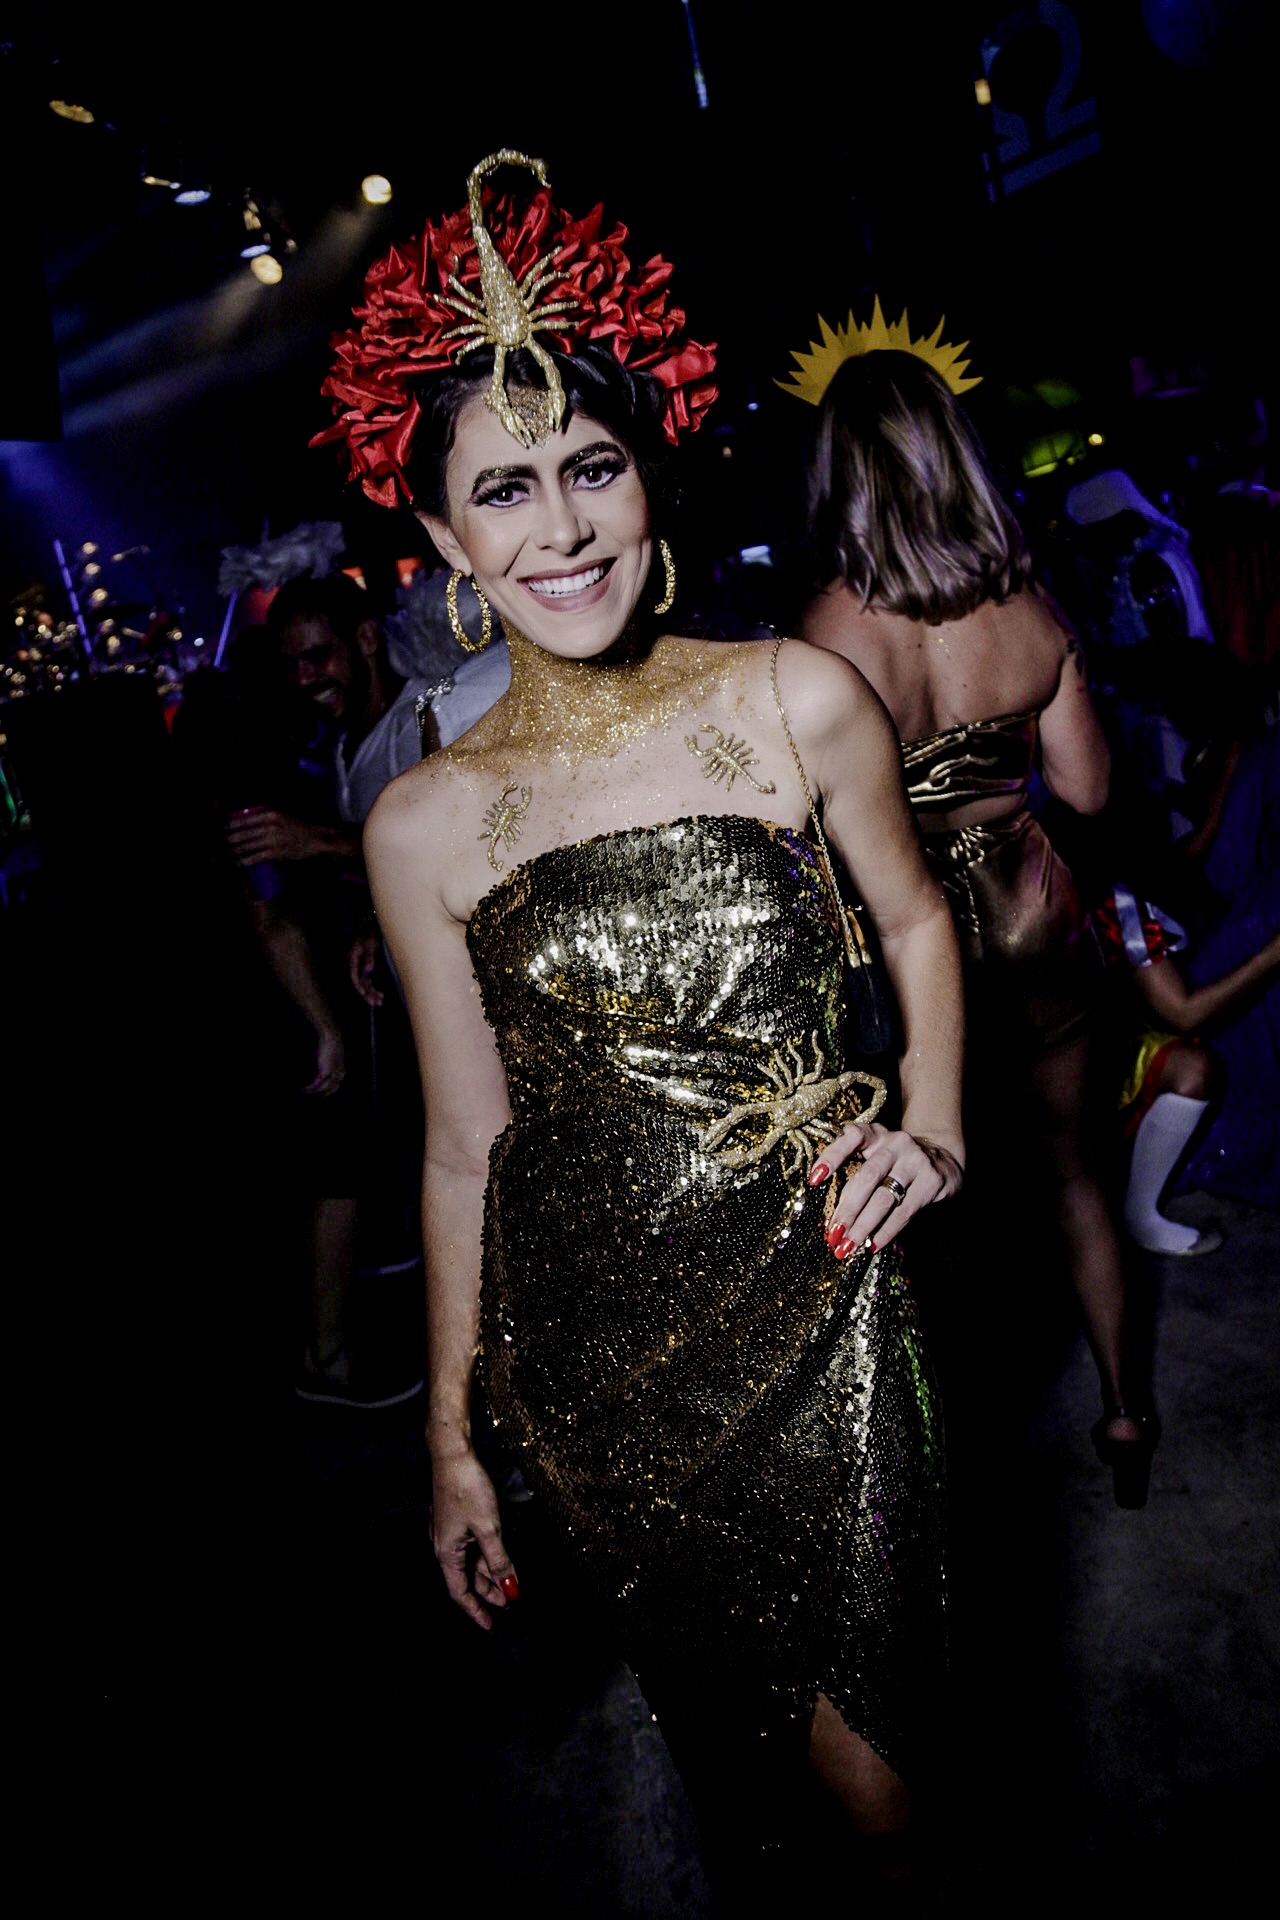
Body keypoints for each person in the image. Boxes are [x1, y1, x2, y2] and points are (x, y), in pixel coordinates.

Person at [315, 151, 966, 1901]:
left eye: (591, 467)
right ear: (443, 543)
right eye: (504, 489)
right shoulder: (422, 825)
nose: (563, 527)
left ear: (648, 477)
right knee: (746, 1766)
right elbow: (465, 1147)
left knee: (889, 1783)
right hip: (594, 1374)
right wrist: (449, 1442)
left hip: (828, 1305)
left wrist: (938, 1122)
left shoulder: (796, 696)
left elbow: (917, 917)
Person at [792, 334, 1156, 1507]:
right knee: (1076, 1176)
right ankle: (1123, 1412)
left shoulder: (824, 634)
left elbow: (803, 832)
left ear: (838, 473)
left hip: (908, 949)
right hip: (1033, 914)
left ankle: (966, 1466)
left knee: (931, 1203)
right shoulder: (1028, 613)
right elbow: (1088, 793)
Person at [1082, 861, 1280, 1253]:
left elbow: (1187, 859)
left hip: (1076, 1059)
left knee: (1191, 1066)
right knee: (1190, 1067)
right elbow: (1184, 1013)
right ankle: (1128, 1217)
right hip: (1054, 1077)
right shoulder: (1109, 900)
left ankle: (1132, 1210)